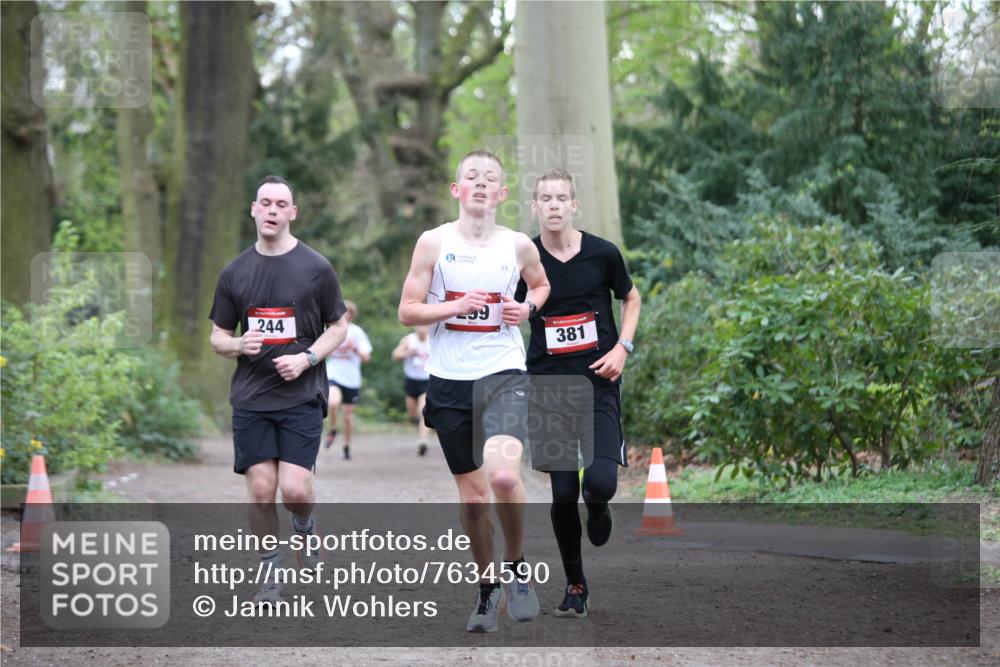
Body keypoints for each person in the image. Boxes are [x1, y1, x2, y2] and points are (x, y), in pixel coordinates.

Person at [398, 150, 551, 632]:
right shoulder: (433, 242)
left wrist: (527, 310)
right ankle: (487, 591)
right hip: (448, 380)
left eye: (490, 179)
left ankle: (517, 567)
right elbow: (407, 310)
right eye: (472, 176)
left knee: (504, 478)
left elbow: (541, 287)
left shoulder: (519, 246)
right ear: (456, 189)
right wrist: (453, 307)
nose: (480, 183)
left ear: (502, 194)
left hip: (504, 374)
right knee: (473, 501)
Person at [209, 175, 348, 605]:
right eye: (265, 203)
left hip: (301, 396)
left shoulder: (316, 268)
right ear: (253, 209)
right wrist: (237, 344)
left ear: (292, 213)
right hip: (251, 398)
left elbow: (338, 328)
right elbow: (217, 336)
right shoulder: (234, 272)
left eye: (280, 204)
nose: (271, 210)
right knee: (261, 488)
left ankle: (305, 526)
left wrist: (307, 359)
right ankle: (270, 569)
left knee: (296, 490)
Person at [514, 168, 641, 618]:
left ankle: (601, 508)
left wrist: (623, 347)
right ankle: (575, 586)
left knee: (599, 484)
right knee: (563, 492)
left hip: (599, 384)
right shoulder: (524, 261)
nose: (552, 205)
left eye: (560, 197)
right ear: (534, 207)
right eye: (544, 198)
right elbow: (507, 318)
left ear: (573, 205)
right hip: (548, 390)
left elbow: (631, 297)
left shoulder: (603, 254)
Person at [324, 301, 372, 460]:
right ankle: (332, 429)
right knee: (332, 402)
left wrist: (355, 349)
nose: (342, 315)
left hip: (351, 379)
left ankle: (346, 446)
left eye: (346, 312)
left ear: (351, 315)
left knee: (347, 416)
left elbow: (367, 358)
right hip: (333, 375)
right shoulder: (331, 330)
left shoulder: (357, 333)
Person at [391, 324, 433, 456]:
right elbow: (395, 356)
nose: (422, 328)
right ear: (416, 327)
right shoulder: (409, 340)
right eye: (420, 326)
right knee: (412, 414)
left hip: (427, 381)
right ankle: (422, 431)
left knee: (423, 411)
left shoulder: (433, 340)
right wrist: (408, 352)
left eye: (425, 326)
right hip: (411, 381)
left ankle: (423, 441)